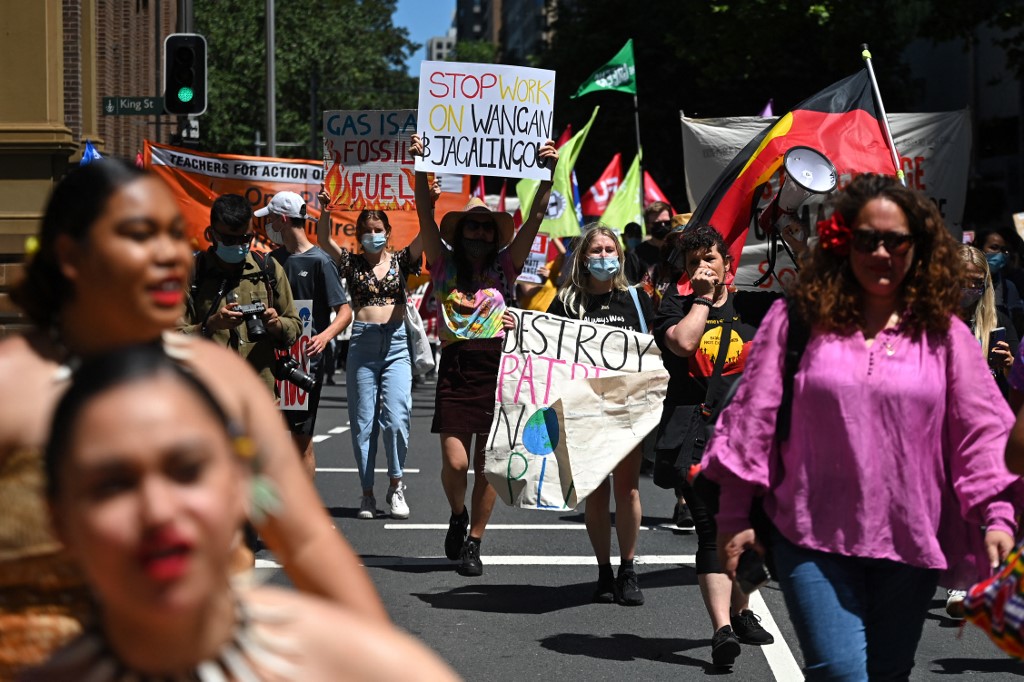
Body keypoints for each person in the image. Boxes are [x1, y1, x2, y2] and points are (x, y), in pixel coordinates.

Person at [0, 161, 387, 677]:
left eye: (170, 234)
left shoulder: (224, 379)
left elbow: (305, 536)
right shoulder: (12, 384)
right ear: (72, 254)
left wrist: (380, 654)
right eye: (140, 234)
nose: (167, 253)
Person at [704, 173, 1024, 680]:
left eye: (895, 240)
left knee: (889, 673)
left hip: (911, 542)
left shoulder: (947, 336)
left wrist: (998, 516)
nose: (881, 252)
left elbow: (980, 433)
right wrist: (733, 516)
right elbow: (753, 424)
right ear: (841, 243)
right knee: (840, 672)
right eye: (866, 239)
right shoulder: (796, 324)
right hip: (811, 537)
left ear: (917, 249)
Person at [26, 346, 459, 681]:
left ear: (241, 486)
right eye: (112, 485)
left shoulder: (358, 664)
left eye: (187, 471)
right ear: (59, 518)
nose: (157, 511)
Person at [411, 133, 558, 577]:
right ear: (461, 233)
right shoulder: (442, 262)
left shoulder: (507, 265)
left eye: (485, 227)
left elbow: (534, 218)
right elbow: (423, 212)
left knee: (488, 466)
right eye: (472, 226)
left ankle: (474, 540)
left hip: (498, 370)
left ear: (494, 235)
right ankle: (457, 513)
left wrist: (546, 172)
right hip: (456, 369)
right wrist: (421, 166)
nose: (478, 232)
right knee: (455, 463)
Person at [653, 223, 777, 667]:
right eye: (693, 263)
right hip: (696, 434)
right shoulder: (674, 305)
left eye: (710, 258)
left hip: (752, 436)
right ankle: (721, 629)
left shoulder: (755, 305)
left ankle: (741, 613)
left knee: (753, 531)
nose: (702, 266)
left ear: (727, 264)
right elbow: (685, 344)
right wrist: (702, 299)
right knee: (710, 527)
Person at [547, 224, 654, 606]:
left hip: (627, 411)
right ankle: (604, 571)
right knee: (594, 491)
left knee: (627, 490)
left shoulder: (638, 301)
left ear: (621, 257)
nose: (604, 256)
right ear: (583, 257)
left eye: (611, 250)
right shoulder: (566, 302)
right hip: (584, 412)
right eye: (597, 250)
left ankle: (628, 569)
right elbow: (544, 349)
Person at [316, 187, 434, 521]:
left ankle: (396, 485)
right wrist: (325, 208)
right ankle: (367, 493)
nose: (372, 235)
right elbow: (324, 238)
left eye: (377, 230)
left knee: (397, 418)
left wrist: (430, 201)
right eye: (365, 231)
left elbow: (428, 232)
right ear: (358, 234)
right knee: (363, 423)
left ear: (387, 232)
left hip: (396, 345)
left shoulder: (402, 261)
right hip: (363, 346)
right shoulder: (350, 262)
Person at [260, 191, 352, 477]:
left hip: (303, 360)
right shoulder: (269, 261)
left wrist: (325, 337)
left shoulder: (320, 261)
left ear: (284, 220)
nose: (269, 225)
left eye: (272, 218)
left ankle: (303, 510)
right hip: (268, 357)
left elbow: (345, 311)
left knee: (300, 440)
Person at [179, 193, 302, 397]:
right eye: (229, 239)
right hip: (207, 396)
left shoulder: (268, 269)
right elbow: (170, 337)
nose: (238, 245)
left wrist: (275, 324)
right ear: (211, 234)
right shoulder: (191, 273)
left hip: (259, 395)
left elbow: (294, 325)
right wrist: (210, 325)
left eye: (245, 238)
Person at [957, 244, 1017, 398]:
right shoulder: (934, 322)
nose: (970, 287)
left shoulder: (999, 321)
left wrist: (1010, 365)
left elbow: (1017, 383)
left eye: (977, 282)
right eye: (964, 280)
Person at [974, 226, 1024, 335]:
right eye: (994, 247)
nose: (999, 254)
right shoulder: (961, 283)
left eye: (1004, 250)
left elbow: (1016, 328)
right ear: (979, 249)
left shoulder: (1008, 288)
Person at [625, 201, 672, 285]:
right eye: (658, 223)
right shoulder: (636, 254)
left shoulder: (679, 249)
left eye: (667, 222)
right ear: (648, 226)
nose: (663, 226)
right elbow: (630, 287)